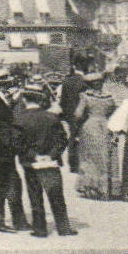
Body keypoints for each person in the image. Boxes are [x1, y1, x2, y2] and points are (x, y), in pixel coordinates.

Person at [15, 84, 77, 237]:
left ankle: (40, 229)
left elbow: (17, 143)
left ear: (24, 99)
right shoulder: (52, 118)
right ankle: (64, 228)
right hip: (51, 162)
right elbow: (62, 139)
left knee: (35, 195)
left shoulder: (19, 120)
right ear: (41, 99)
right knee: (56, 194)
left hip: (31, 163)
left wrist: (32, 155)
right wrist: (51, 154)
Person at [0, 66, 31, 233]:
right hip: (1, 148)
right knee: (6, 184)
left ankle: (13, 220)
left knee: (8, 183)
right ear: (2, 84)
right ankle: (3, 221)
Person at [72, 70, 122, 200]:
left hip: (90, 127)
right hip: (106, 126)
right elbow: (115, 113)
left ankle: (91, 187)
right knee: (105, 156)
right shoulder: (109, 98)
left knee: (90, 157)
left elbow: (77, 114)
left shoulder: (85, 97)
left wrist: (77, 125)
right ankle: (107, 189)